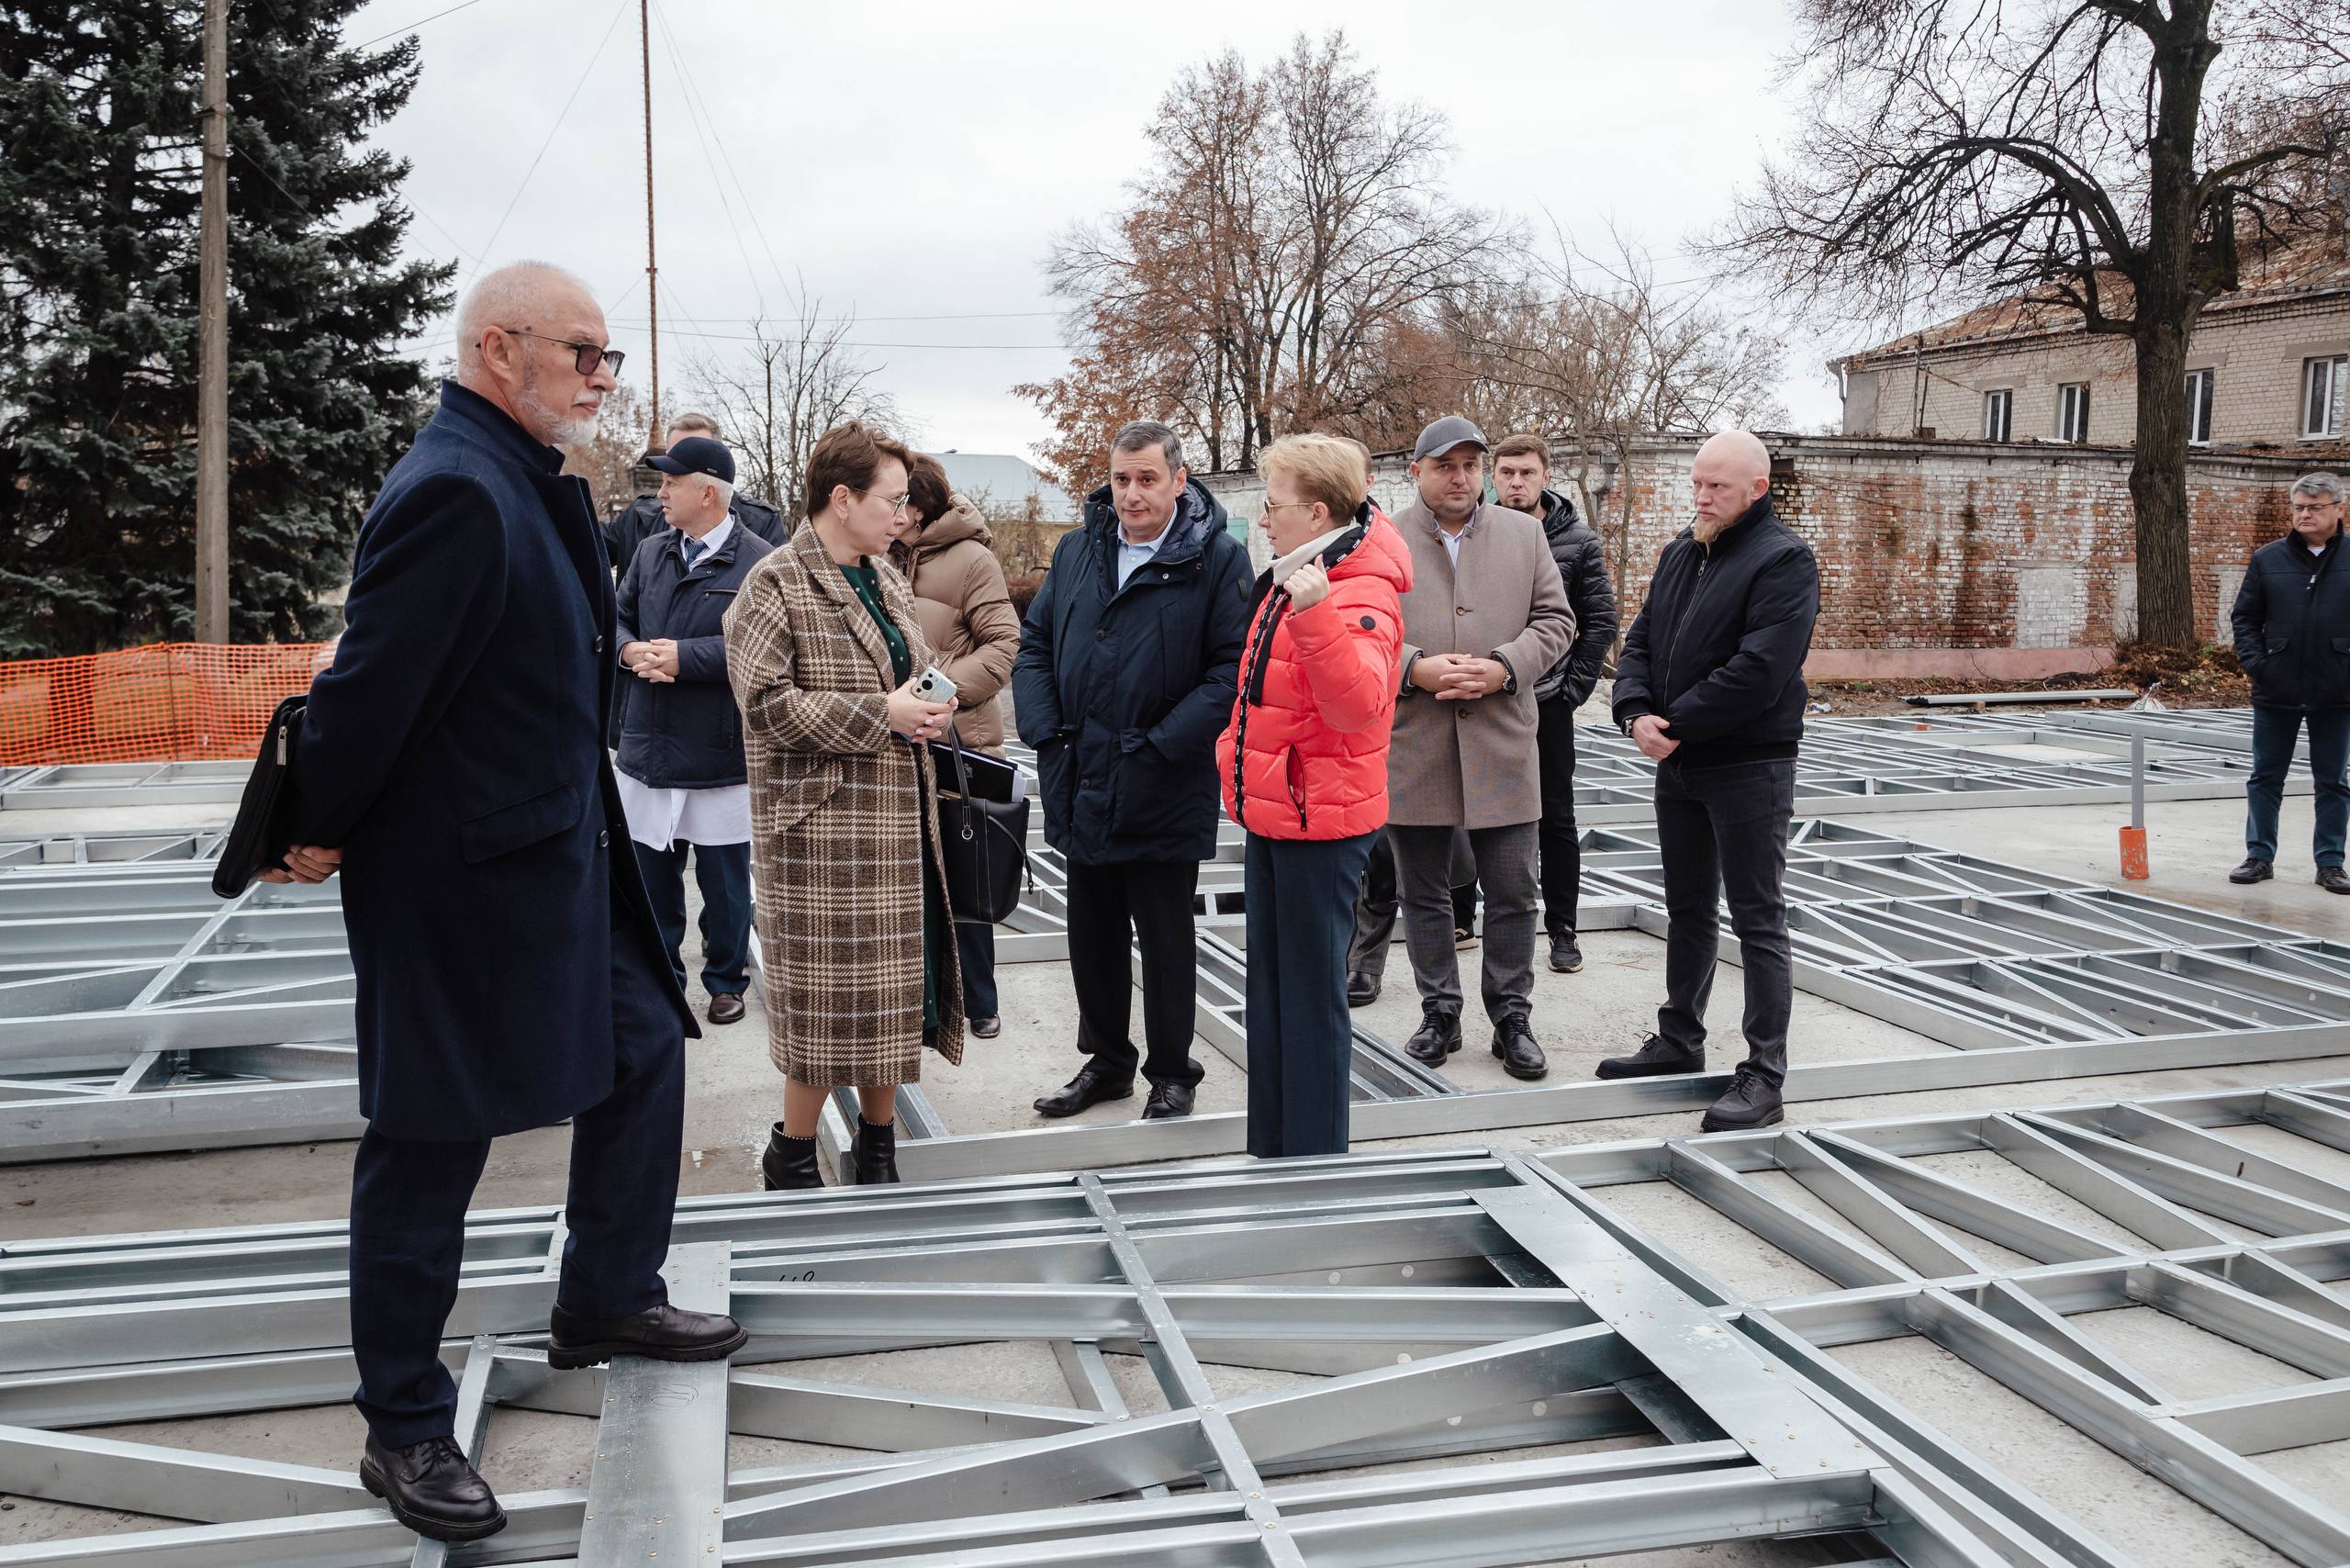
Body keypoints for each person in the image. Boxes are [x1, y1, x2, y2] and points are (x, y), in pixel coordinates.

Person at [265, 261, 745, 1543]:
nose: (604, 379)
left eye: (607, 359)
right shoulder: (454, 490)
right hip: (458, 881)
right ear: (497, 349)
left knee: (643, 1045)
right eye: (584, 354)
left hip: (553, 857)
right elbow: (372, 693)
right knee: (433, 1141)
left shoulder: (529, 478)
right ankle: (406, 1426)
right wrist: (313, 824)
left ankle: (603, 1294)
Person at [725, 421, 965, 1189]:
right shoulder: (777, 581)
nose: (902, 515)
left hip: (896, 820)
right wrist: (881, 715)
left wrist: (931, 706)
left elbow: (914, 668)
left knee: (894, 997)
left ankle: (879, 1144)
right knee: (827, 1010)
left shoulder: (884, 572)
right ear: (841, 498)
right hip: (822, 831)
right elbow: (763, 704)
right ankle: (792, 1151)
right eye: (890, 501)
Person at [1013, 420, 1251, 1121]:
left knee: (1167, 935)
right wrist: (1045, 730)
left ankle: (1173, 1071)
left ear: (1179, 480)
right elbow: (1036, 643)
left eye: (1148, 478)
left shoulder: (1216, 558)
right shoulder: (1078, 551)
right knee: (1092, 932)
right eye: (1121, 479)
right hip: (1082, 770)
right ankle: (1108, 1063)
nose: (1132, 493)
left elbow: (1229, 670)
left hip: (1163, 779)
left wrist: (1157, 746)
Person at [1602, 431, 1818, 1134]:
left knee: (1757, 916)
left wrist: (1677, 724)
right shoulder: (1680, 552)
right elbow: (1639, 641)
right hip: (1681, 760)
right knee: (1688, 907)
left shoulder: (1782, 559)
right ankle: (1679, 1036)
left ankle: (1764, 1074)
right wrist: (1634, 712)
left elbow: (1762, 669)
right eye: (1698, 482)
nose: (1701, 495)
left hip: (1749, 763)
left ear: (1757, 489)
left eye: (1717, 487)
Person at [1219, 433, 1409, 1157]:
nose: (1264, 519)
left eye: (1274, 506)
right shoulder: (1304, 572)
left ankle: (1315, 1160)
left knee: (1308, 1004)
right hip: (1277, 813)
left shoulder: (1356, 591)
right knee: (1271, 996)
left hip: (1320, 826)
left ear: (1318, 510)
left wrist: (1319, 615)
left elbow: (1361, 704)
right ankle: (1273, 1149)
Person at [1386, 416, 1574, 1081]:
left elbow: (1558, 621)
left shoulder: (1524, 535)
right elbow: (1360, 631)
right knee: (1424, 892)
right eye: (1445, 465)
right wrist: (1413, 667)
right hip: (1416, 737)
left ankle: (1512, 1016)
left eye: (1470, 464)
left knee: (1515, 886)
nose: (1460, 477)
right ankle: (1439, 1011)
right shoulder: (1383, 540)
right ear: (1417, 473)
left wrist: (1504, 666)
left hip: (1502, 735)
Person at [614, 434, 774, 1026]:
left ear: (708, 493)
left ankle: (726, 980)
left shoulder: (760, 561)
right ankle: (664, 978)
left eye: (671, 484)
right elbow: (618, 615)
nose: (660, 495)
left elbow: (764, 647)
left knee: (726, 882)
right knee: (652, 874)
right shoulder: (652, 551)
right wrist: (632, 652)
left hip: (719, 749)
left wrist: (686, 658)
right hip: (649, 744)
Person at [895, 454, 1024, 1037]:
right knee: (904, 882)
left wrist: (938, 695)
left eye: (897, 498)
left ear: (917, 509)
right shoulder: (871, 556)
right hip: (892, 744)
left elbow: (1001, 646)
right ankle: (917, 1006)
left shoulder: (973, 558)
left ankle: (980, 1001)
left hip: (958, 746)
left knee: (965, 873)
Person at [1492, 433, 1618, 973]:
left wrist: (1572, 692)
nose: (1516, 483)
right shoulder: (1473, 533)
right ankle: (1461, 916)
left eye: (1526, 473)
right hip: (1486, 700)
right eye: (1506, 473)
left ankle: (1563, 929)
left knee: (1555, 817)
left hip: (1548, 703)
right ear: (1493, 478)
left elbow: (1600, 621)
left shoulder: (1577, 541)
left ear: (1546, 477)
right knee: (1474, 811)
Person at [2231, 472, 2350, 891]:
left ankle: (2331, 863)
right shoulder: (2269, 559)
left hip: (2337, 690)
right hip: (2276, 688)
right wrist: (2259, 664)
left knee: (2333, 780)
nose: (2305, 514)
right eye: (2299, 507)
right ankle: (2259, 857)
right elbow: (2245, 617)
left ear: (2339, 508)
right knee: (2265, 777)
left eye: (2315, 507)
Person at [604, 409, 786, 569]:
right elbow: (586, 551)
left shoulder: (760, 523)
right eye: (675, 454)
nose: (683, 459)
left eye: (698, 452)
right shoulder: (639, 517)